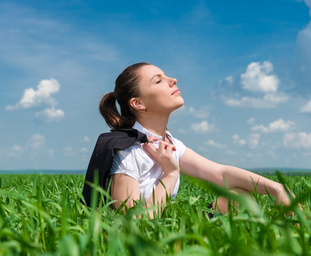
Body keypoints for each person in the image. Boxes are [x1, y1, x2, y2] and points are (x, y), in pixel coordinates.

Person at [82, 62, 299, 219]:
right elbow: (131, 222)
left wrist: (277, 188)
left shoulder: (167, 143)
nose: (172, 80)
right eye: (158, 80)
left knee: (238, 195)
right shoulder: (128, 150)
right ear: (138, 103)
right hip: (147, 249)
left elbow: (220, 174)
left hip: (171, 229)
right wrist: (171, 174)